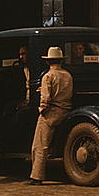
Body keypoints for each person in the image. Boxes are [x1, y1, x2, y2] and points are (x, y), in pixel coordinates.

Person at [27, 46, 74, 185]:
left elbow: (46, 98)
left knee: (40, 145)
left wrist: (42, 109)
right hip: (65, 110)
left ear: (48, 61)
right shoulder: (68, 75)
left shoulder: (48, 76)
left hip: (51, 113)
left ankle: (37, 176)